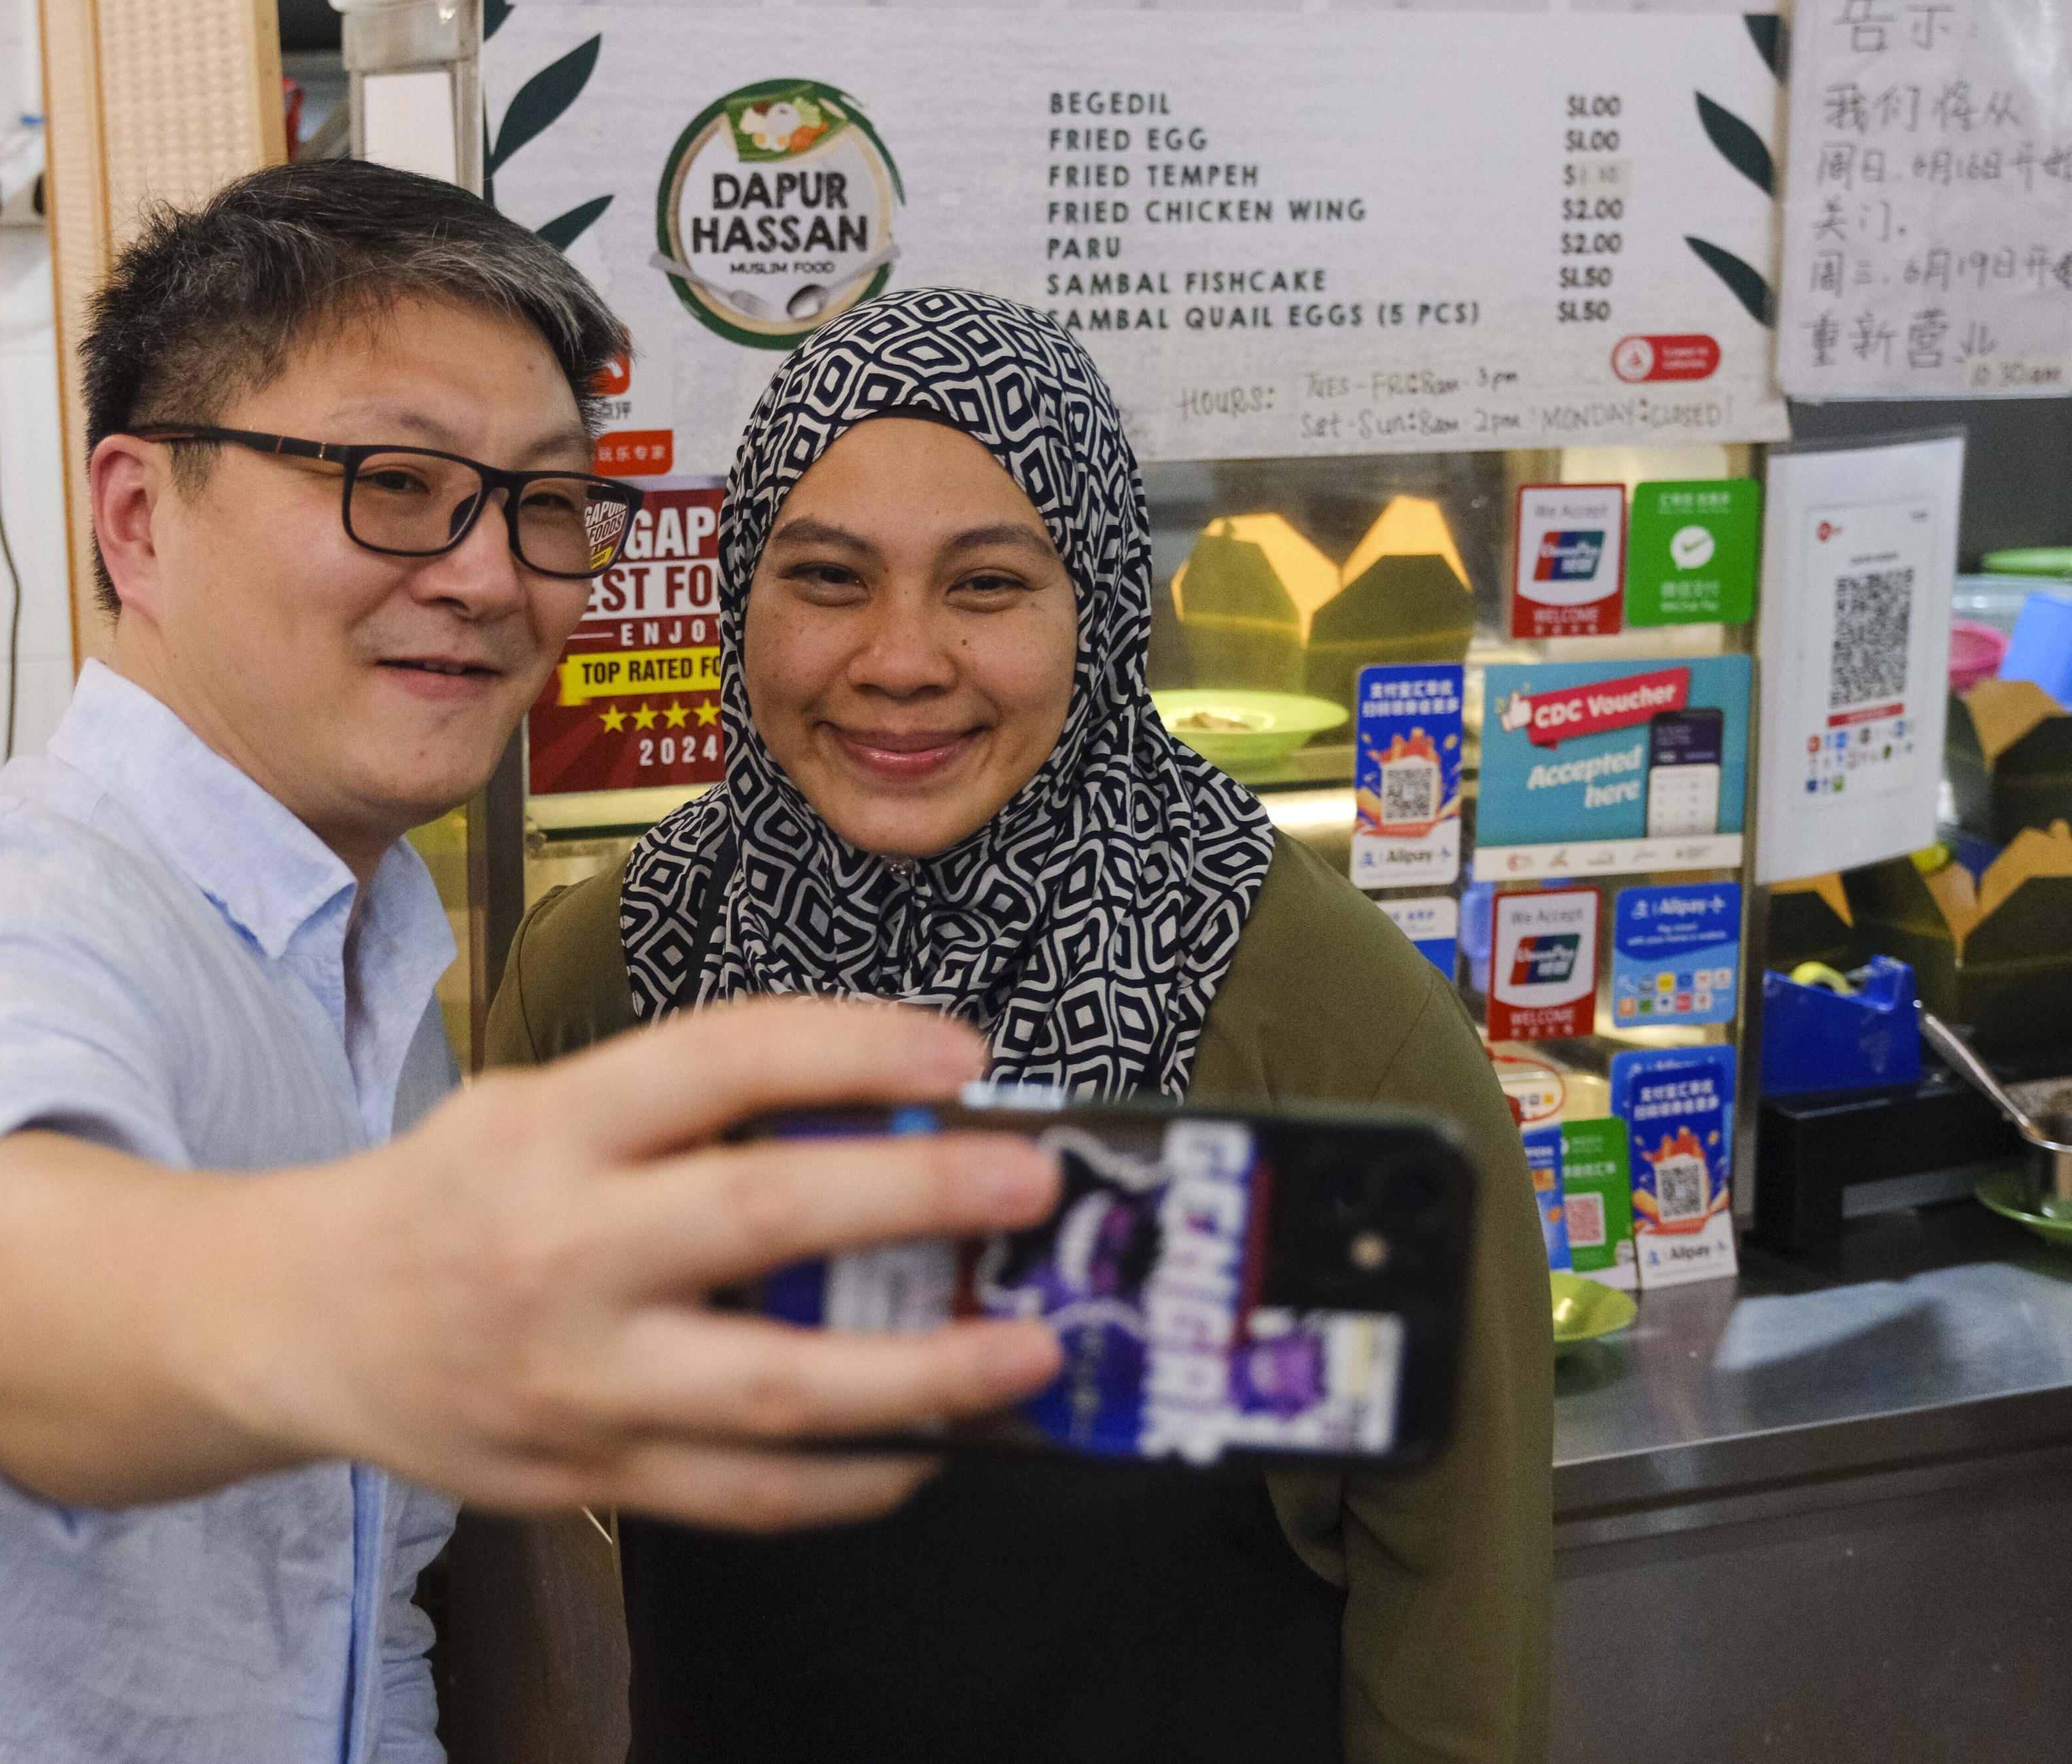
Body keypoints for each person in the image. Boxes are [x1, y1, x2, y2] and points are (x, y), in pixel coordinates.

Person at [0, 165, 1074, 1764]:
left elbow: (350, 1642)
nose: (487, 574)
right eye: (390, 480)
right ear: (136, 519)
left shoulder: (366, 978)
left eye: (544, 502)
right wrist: (342, 1296)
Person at [488, 288, 1554, 1763]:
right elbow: (528, 1486)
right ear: (742, 596)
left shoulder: (1311, 1036)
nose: (901, 657)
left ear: (1100, 606)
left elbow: (1445, 1620)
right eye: (827, 578)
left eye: (987, 584)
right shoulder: (612, 986)